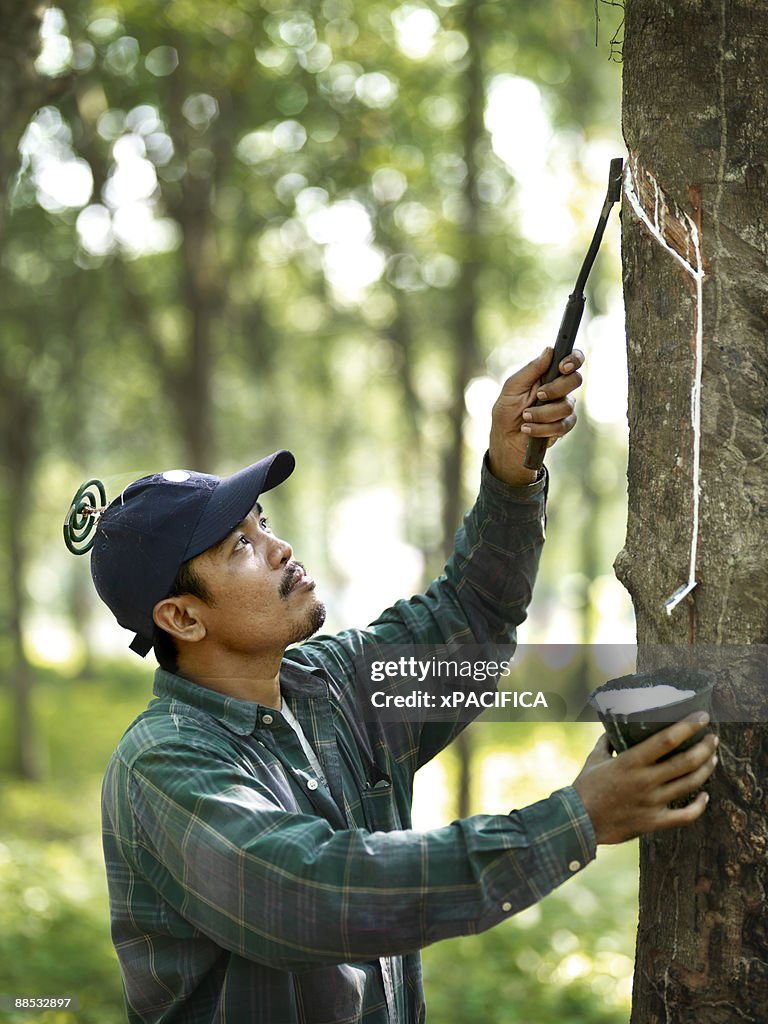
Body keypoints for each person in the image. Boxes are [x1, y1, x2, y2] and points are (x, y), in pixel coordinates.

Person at [73, 346, 718, 1024]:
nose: (278, 548)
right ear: (181, 617)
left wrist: (512, 468)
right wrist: (575, 821)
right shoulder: (164, 763)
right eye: (239, 545)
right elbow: (315, 896)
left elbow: (469, 616)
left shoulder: (334, 686)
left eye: (261, 523)